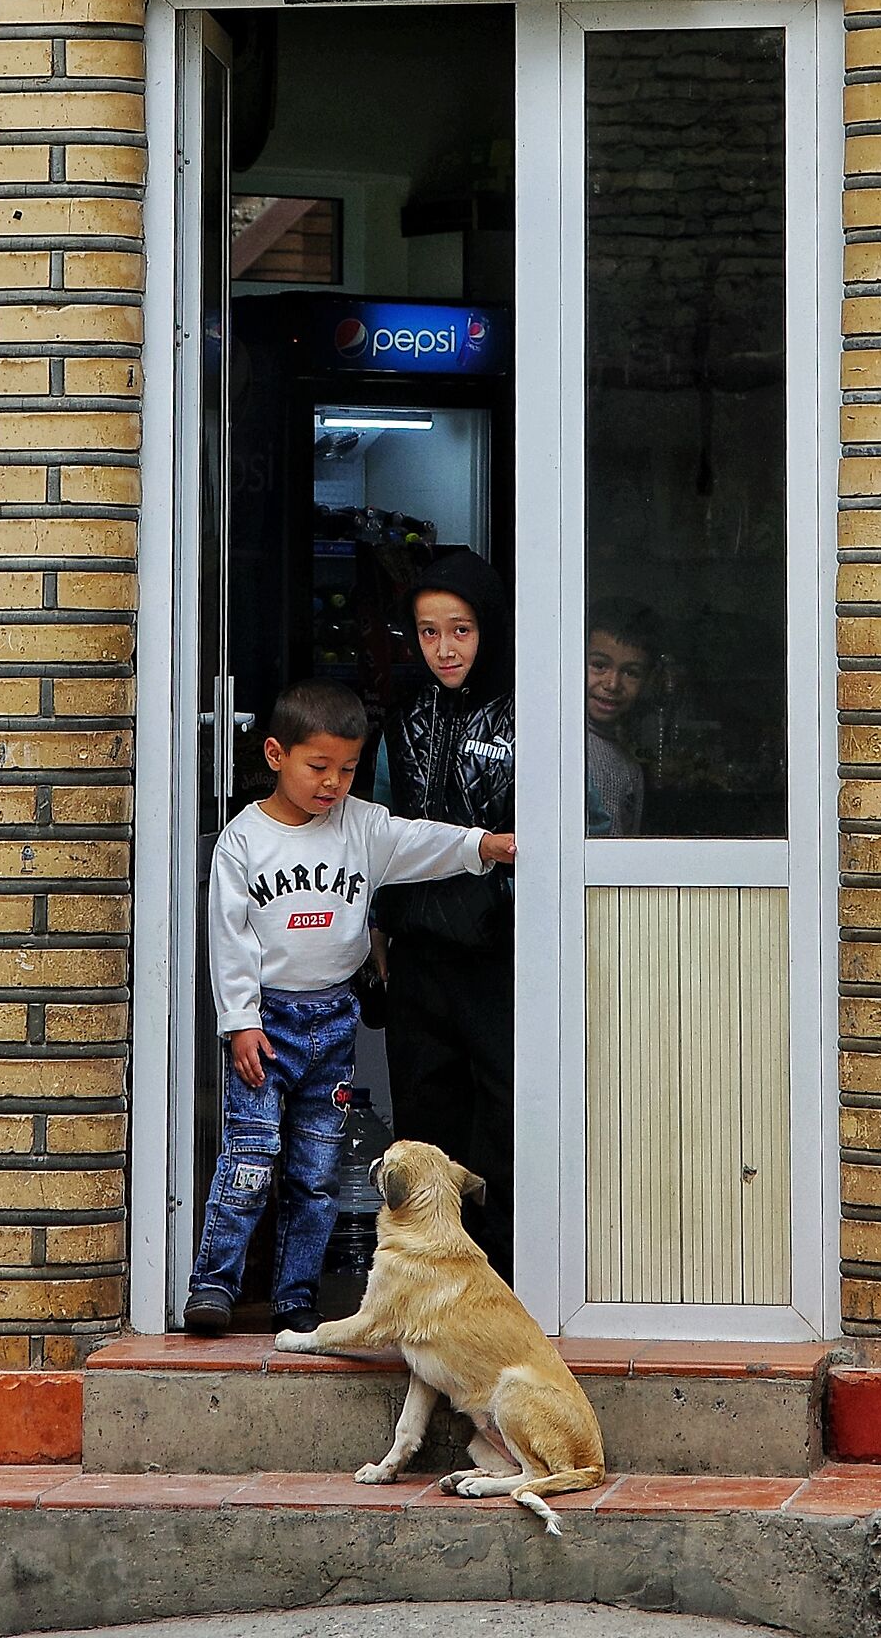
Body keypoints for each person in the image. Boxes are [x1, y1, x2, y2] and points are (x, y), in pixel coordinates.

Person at [182, 677, 514, 1338]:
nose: (333, 783)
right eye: (318, 767)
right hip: (266, 1026)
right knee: (250, 1159)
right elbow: (229, 939)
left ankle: (296, 1295)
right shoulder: (244, 841)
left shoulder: (361, 826)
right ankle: (213, 1286)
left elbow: (421, 842)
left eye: (349, 769)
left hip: (332, 1021)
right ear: (276, 755)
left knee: (315, 1173)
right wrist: (241, 1022)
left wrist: (484, 845)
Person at [370, 548, 516, 1279]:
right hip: (420, 952)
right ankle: (433, 1292)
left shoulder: (527, 713)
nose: (445, 648)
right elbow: (378, 834)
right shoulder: (401, 721)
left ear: (490, 628)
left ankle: (508, 1287)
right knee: (427, 1126)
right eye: (428, 633)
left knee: (503, 1122)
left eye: (460, 629)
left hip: (501, 954)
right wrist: (376, 927)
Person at [585, 598, 661, 838]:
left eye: (631, 672)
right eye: (599, 665)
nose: (612, 684)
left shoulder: (629, 766)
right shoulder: (569, 749)